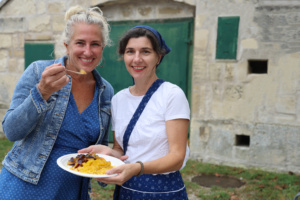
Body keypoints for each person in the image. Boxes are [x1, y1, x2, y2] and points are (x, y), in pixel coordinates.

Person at [0, 5, 113, 200]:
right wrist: (42, 92)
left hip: (71, 192)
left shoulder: (105, 91)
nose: (87, 51)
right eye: (80, 43)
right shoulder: (39, 72)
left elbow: (100, 146)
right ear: (67, 45)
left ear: (102, 48)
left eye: (95, 44)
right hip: (24, 188)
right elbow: (11, 131)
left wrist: (108, 162)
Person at [79, 25, 190, 199]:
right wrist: (107, 152)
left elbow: (177, 157)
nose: (136, 59)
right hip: (127, 191)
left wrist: (137, 168)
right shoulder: (118, 100)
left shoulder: (171, 95)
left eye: (145, 52)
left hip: (163, 191)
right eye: (130, 52)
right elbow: (120, 149)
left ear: (158, 57)